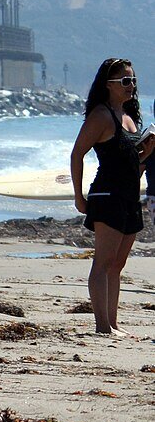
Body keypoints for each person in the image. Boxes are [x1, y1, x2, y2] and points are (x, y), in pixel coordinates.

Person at [70, 59, 155, 337]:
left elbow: (132, 165)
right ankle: (102, 326)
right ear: (108, 85)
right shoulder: (101, 116)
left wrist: (147, 152)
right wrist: (78, 195)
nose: (131, 86)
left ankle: (113, 323)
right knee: (103, 262)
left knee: (118, 264)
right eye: (125, 82)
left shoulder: (130, 117)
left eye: (133, 81)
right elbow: (77, 154)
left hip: (129, 196)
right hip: (106, 194)